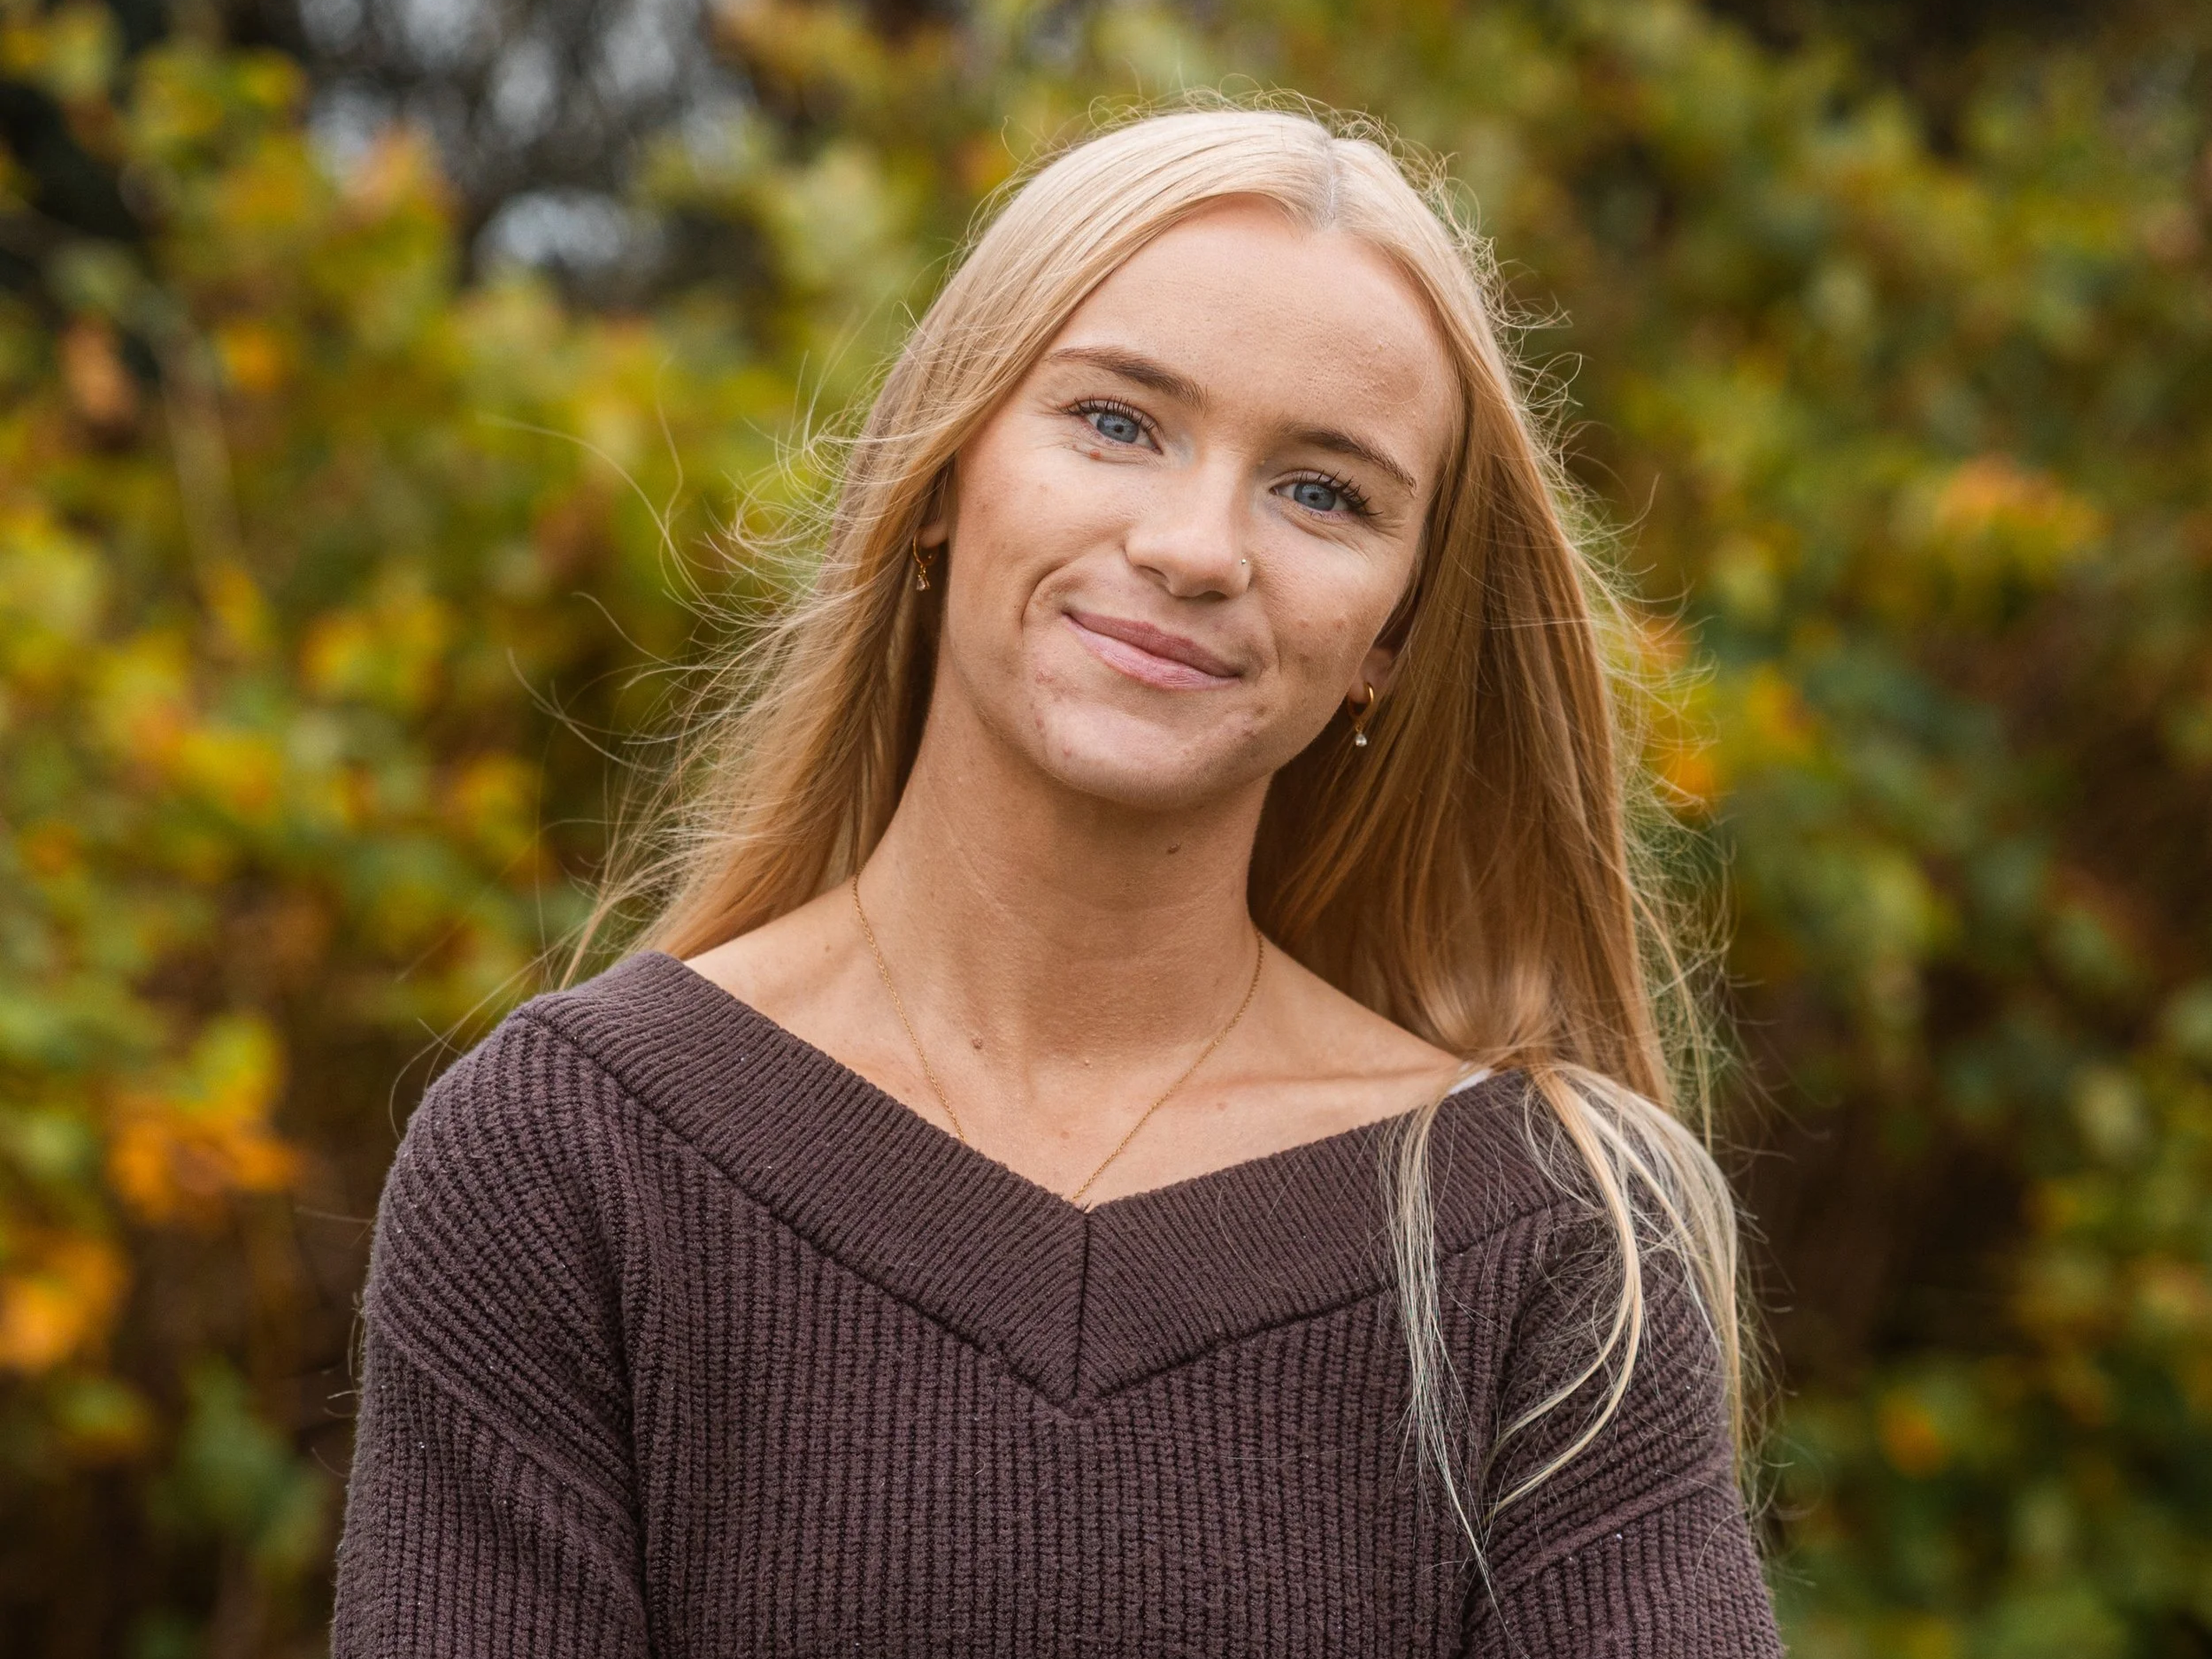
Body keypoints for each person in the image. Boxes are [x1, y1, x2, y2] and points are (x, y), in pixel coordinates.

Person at [331, 102, 1782, 1656]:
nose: (1196, 543)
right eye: (1114, 421)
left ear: (1392, 637)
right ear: (947, 471)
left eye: (1325, 492)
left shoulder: (1550, 1239)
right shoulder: (565, 1157)